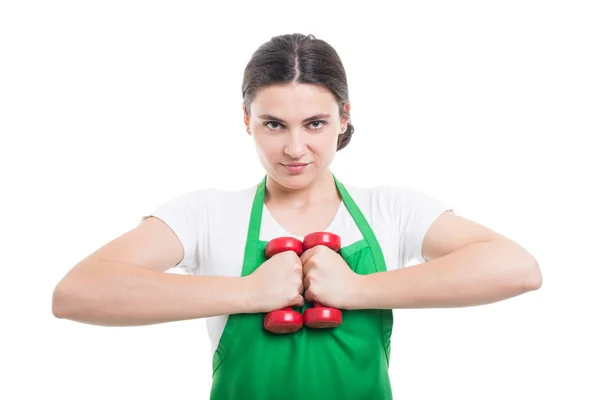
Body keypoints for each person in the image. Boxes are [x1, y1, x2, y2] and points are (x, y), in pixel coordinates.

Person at [52, 33, 542, 399]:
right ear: (246, 120)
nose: (294, 148)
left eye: (315, 124)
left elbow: (517, 270)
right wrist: (249, 293)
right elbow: (76, 294)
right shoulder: (206, 213)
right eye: (273, 124)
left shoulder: (391, 208)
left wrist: (357, 290)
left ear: (343, 118)